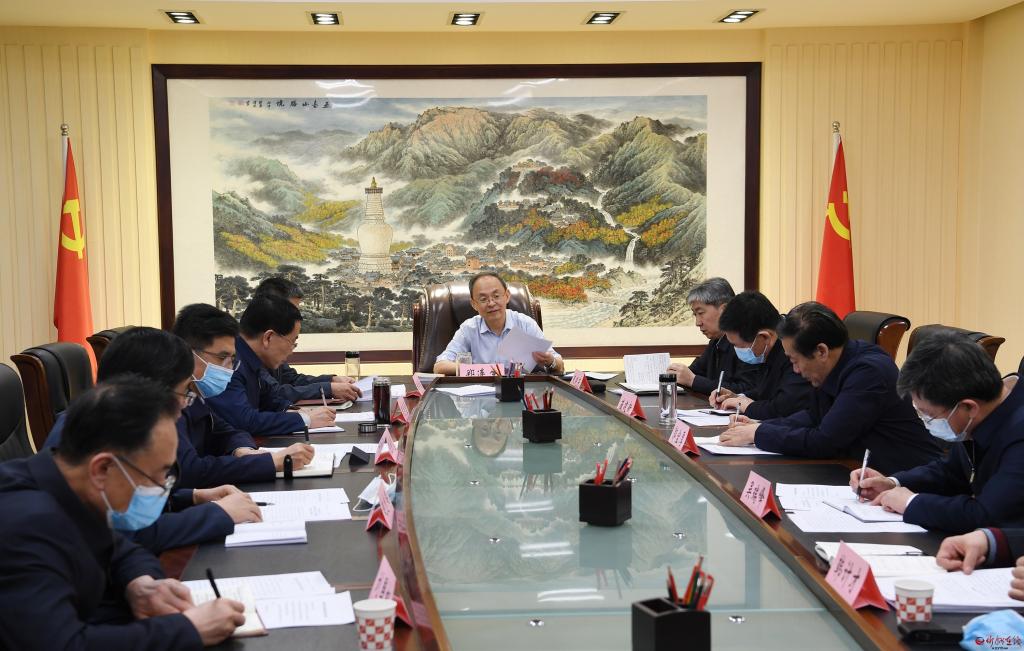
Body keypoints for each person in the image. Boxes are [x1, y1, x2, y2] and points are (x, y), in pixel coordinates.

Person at [0, 376, 245, 649]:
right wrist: (189, 628)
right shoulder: (25, 525)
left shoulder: (69, 483)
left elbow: (119, 546)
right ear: (102, 468)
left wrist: (140, 583)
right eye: (157, 475)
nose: (162, 488)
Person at [43, 327, 264, 553]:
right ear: (147, 390)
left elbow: (132, 501)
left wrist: (192, 497)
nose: (185, 404)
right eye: (184, 392)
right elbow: (128, 536)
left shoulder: (116, 419)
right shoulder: (95, 434)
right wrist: (218, 514)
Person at [720, 301, 942, 473]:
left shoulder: (869, 373)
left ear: (821, 351)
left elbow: (825, 441)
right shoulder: (833, 364)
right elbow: (814, 416)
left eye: (795, 361)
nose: (795, 370)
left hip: (905, 478)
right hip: (858, 471)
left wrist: (759, 433)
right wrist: (762, 425)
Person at [852, 331, 1024, 533]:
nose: (925, 422)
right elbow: (950, 472)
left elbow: (987, 516)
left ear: (969, 407)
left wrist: (911, 502)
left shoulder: (1018, 433)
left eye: (929, 415)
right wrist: (893, 483)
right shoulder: (985, 408)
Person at [172, 303, 316, 479]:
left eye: (232, 359)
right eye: (222, 357)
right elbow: (190, 470)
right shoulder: (165, 400)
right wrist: (269, 462)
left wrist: (242, 449)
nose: (228, 369)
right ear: (187, 353)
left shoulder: (193, 394)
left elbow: (226, 431)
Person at [208, 295, 336, 436]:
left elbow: (271, 400)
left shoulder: (251, 358)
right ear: (268, 337)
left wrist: (299, 411)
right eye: (292, 342)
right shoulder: (230, 363)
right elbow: (244, 421)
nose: (292, 351)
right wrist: (305, 420)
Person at [251, 277, 360, 403]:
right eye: (292, 310)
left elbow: (291, 379)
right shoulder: (250, 346)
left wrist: (331, 381)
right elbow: (275, 393)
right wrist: (327, 389)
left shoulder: (276, 341)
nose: (297, 315)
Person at [434, 272, 563, 375]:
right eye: (483, 299)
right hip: (480, 395)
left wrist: (550, 361)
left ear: (507, 296)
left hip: (519, 393)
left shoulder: (525, 324)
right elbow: (439, 366)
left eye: (496, 296)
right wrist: (478, 370)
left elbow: (559, 365)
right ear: (474, 304)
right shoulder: (469, 329)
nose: (491, 303)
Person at [710, 290, 812, 419]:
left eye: (739, 346)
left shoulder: (795, 347)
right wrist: (738, 397)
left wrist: (747, 406)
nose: (737, 351)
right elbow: (766, 391)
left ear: (764, 337)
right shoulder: (769, 347)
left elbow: (785, 407)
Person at [667, 277, 760, 395]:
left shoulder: (747, 341)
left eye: (700, 313)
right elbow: (695, 372)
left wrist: (693, 380)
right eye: (695, 315)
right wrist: (679, 374)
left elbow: (748, 390)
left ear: (724, 309)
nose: (697, 323)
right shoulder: (716, 341)